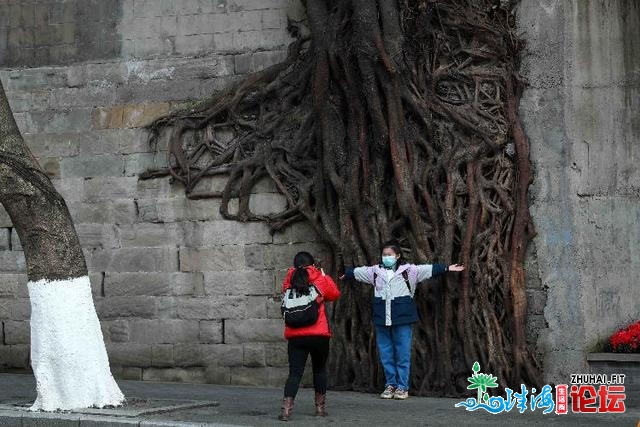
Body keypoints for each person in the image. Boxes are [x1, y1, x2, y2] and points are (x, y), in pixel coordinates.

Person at [340, 241, 464, 400]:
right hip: (382, 319)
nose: (386, 257)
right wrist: (347, 273)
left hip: (402, 318)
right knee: (385, 353)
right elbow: (359, 272)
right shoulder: (375, 272)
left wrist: (446, 268)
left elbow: (427, 269)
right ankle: (390, 384)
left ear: (397, 256)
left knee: (403, 353)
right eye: (384, 255)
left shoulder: (409, 271)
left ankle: (402, 387)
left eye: (390, 255)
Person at [278, 251, 341, 421]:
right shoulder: (318, 278)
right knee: (319, 370)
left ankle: (286, 410)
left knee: (294, 373)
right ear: (312, 265)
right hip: (319, 335)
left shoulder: (287, 280)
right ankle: (320, 409)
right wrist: (323, 275)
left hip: (295, 336)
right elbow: (335, 294)